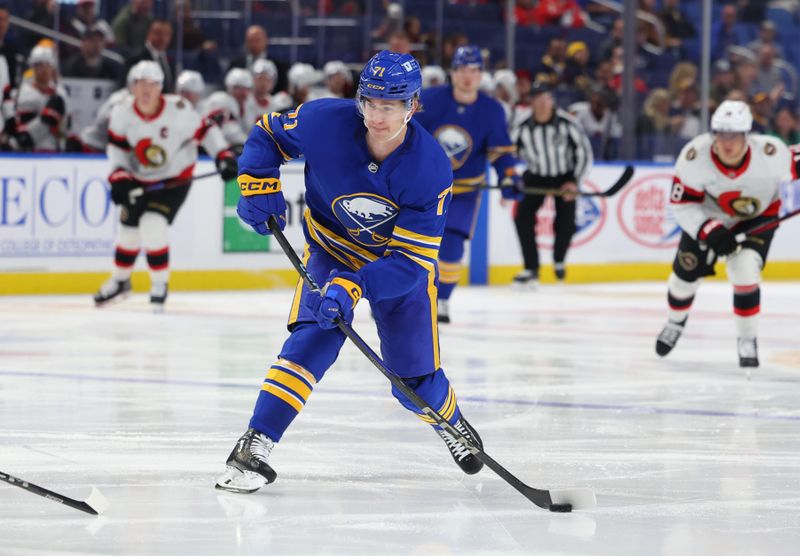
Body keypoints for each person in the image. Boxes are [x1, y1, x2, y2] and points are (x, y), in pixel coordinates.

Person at [215, 50, 485, 494]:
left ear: (412, 106)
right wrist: (257, 183)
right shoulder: (325, 120)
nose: (376, 118)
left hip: (395, 268)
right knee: (312, 337)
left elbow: (412, 264)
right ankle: (256, 442)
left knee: (412, 381)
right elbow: (268, 135)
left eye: (390, 107)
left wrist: (356, 286)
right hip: (331, 249)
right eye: (370, 104)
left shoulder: (431, 168)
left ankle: (451, 423)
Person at [655, 100, 796, 368]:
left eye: (734, 135)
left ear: (747, 135)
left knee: (744, 271)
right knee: (683, 279)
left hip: (756, 218)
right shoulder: (695, 157)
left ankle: (747, 339)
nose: (727, 142)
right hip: (708, 218)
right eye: (721, 134)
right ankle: (675, 321)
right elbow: (682, 205)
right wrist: (708, 229)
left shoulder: (770, 153)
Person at [93, 61, 237, 311]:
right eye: (140, 84)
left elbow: (206, 130)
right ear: (131, 87)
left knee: (153, 223)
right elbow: (117, 147)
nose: (146, 90)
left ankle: (160, 285)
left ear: (161, 87)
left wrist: (223, 155)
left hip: (174, 177)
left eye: (152, 84)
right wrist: (118, 174)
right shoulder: (122, 112)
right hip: (139, 177)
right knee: (127, 231)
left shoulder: (179, 110)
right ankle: (120, 281)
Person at [414, 45, 520, 323]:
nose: (467, 77)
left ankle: (442, 300)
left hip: (464, 192)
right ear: (453, 72)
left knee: (452, 247)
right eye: (462, 70)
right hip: (424, 189)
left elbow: (500, 152)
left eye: (473, 70)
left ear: (481, 74)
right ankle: (401, 299)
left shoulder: (492, 110)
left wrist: (509, 176)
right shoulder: (430, 100)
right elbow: (407, 135)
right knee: (408, 245)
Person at [510, 81, 593, 286]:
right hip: (536, 174)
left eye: (546, 98)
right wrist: (509, 179)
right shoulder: (522, 126)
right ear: (531, 102)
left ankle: (558, 260)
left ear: (552, 100)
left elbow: (584, 153)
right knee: (522, 218)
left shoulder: (567, 123)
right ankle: (531, 268)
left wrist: (574, 182)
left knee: (566, 222)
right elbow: (509, 153)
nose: (543, 103)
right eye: (538, 99)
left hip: (564, 175)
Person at [11, 46, 69, 152]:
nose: (44, 69)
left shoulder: (60, 92)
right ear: (33, 67)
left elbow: (65, 128)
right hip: (33, 151)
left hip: (56, 151)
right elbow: (24, 136)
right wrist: (49, 117)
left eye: (48, 64)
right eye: (40, 65)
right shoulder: (25, 93)